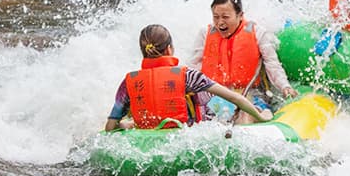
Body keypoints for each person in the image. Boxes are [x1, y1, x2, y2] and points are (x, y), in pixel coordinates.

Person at [105, 24, 271, 131]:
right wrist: (261, 117)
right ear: (169, 49)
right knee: (250, 112)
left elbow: (110, 127)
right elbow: (236, 98)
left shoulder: (128, 82)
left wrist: (123, 124)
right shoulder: (188, 76)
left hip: (150, 139)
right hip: (188, 137)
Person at [190, 0, 298, 124]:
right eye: (216, 17)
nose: (220, 23)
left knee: (245, 117)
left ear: (240, 15)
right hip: (215, 95)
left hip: (250, 94)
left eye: (225, 17)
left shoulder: (258, 33)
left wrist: (284, 86)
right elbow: (194, 68)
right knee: (212, 118)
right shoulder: (204, 34)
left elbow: (272, 64)